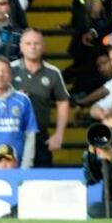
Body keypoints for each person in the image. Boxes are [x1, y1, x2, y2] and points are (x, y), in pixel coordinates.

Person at [11, 29, 70, 167]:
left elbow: (63, 102)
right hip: (12, 133)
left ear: (43, 46)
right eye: (28, 43)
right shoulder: (9, 69)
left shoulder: (52, 72)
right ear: (21, 47)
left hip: (40, 135)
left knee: (41, 181)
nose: (32, 47)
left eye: (36, 43)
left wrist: (59, 134)